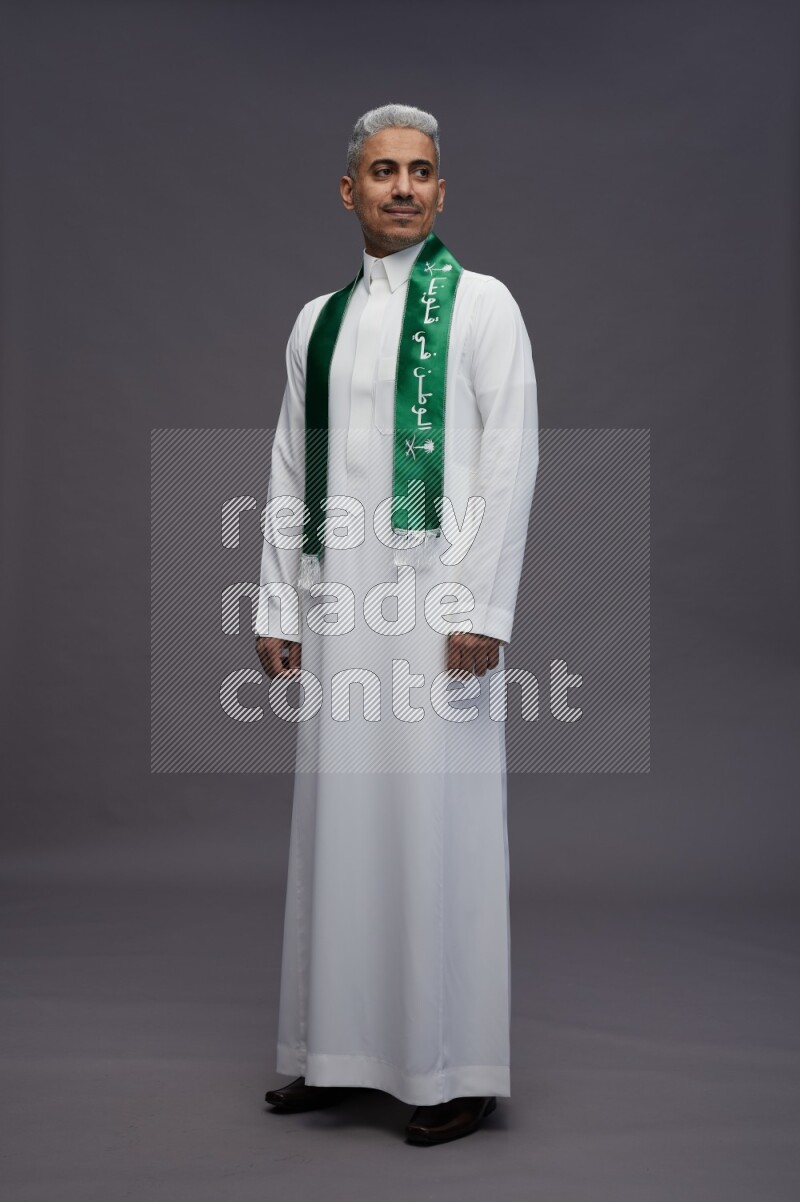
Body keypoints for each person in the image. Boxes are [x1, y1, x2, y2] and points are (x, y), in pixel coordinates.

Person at [255, 103, 539, 1145]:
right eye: (383, 172)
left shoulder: (481, 307)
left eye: (421, 171)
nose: (403, 187)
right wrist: (278, 600)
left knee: (439, 826)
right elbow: (290, 467)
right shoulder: (312, 322)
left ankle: (455, 1065)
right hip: (342, 608)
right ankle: (333, 1050)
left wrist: (480, 606)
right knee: (340, 823)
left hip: (434, 610)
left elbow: (509, 463)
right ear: (349, 191)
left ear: (442, 190)